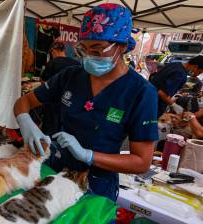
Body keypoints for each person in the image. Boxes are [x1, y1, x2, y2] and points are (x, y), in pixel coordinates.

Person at [14, 3, 158, 202]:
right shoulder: (71, 76)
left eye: (98, 50)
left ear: (122, 47)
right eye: (84, 49)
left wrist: (89, 155)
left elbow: (141, 162)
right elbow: (24, 102)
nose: (89, 57)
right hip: (53, 172)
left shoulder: (141, 92)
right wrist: (26, 123)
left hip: (95, 185)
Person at [40, 42, 80, 136]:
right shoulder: (76, 63)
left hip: (53, 103)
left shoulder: (52, 63)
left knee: (50, 131)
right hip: (71, 102)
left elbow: (43, 82)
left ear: (53, 51)